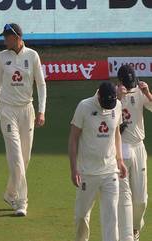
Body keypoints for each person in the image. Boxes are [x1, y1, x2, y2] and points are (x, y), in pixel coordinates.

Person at [0, 23, 46, 216]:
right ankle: (22, 201)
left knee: (25, 157)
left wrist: (41, 110)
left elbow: (41, 85)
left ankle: (10, 192)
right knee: (16, 157)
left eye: (7, 36)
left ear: (17, 37)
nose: (4, 40)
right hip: (7, 110)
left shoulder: (32, 56)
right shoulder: (1, 57)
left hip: (26, 110)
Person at [68, 82, 127, 241]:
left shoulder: (117, 106)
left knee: (111, 217)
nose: (109, 107)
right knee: (81, 216)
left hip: (110, 171)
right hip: (87, 173)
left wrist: (120, 160)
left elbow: (117, 134)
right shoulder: (84, 106)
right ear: (99, 96)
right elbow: (73, 138)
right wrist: (74, 169)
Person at [116, 65, 152, 241]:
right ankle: (128, 234)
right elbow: (102, 114)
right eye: (127, 84)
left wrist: (147, 93)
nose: (130, 87)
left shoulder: (140, 91)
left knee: (141, 199)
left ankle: (136, 226)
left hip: (138, 147)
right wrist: (117, 98)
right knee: (124, 196)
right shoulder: (112, 94)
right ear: (120, 81)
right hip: (120, 148)